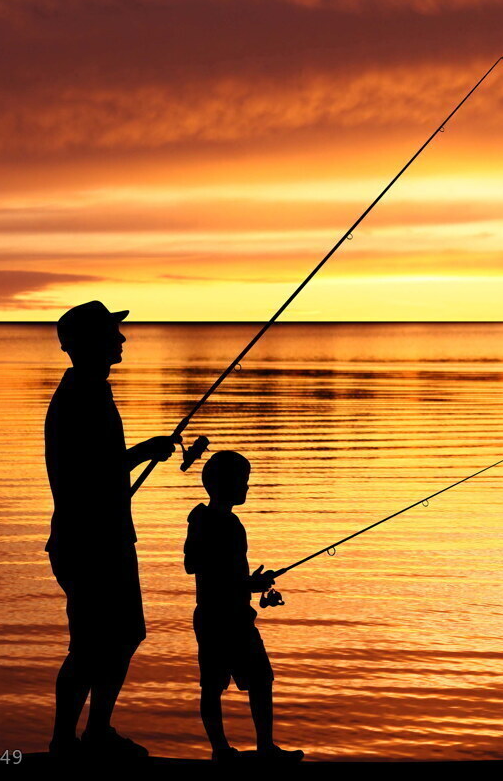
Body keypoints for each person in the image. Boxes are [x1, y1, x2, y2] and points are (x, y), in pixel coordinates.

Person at [45, 301, 181, 759]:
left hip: (106, 536)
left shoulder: (91, 390)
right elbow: (92, 469)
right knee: (90, 644)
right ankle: (67, 739)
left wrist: (143, 454)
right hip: (89, 543)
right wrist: (145, 450)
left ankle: (96, 731)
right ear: (88, 342)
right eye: (112, 333)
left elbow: (98, 471)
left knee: (123, 635)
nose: (121, 340)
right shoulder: (81, 394)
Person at [183, 450, 304, 763]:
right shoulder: (213, 522)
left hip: (227, 613)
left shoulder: (216, 520)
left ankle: (252, 748)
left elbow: (208, 567)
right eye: (243, 481)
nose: (247, 487)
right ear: (226, 485)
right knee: (224, 684)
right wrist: (248, 585)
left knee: (253, 680)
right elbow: (201, 567)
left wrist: (250, 582)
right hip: (221, 616)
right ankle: (229, 750)